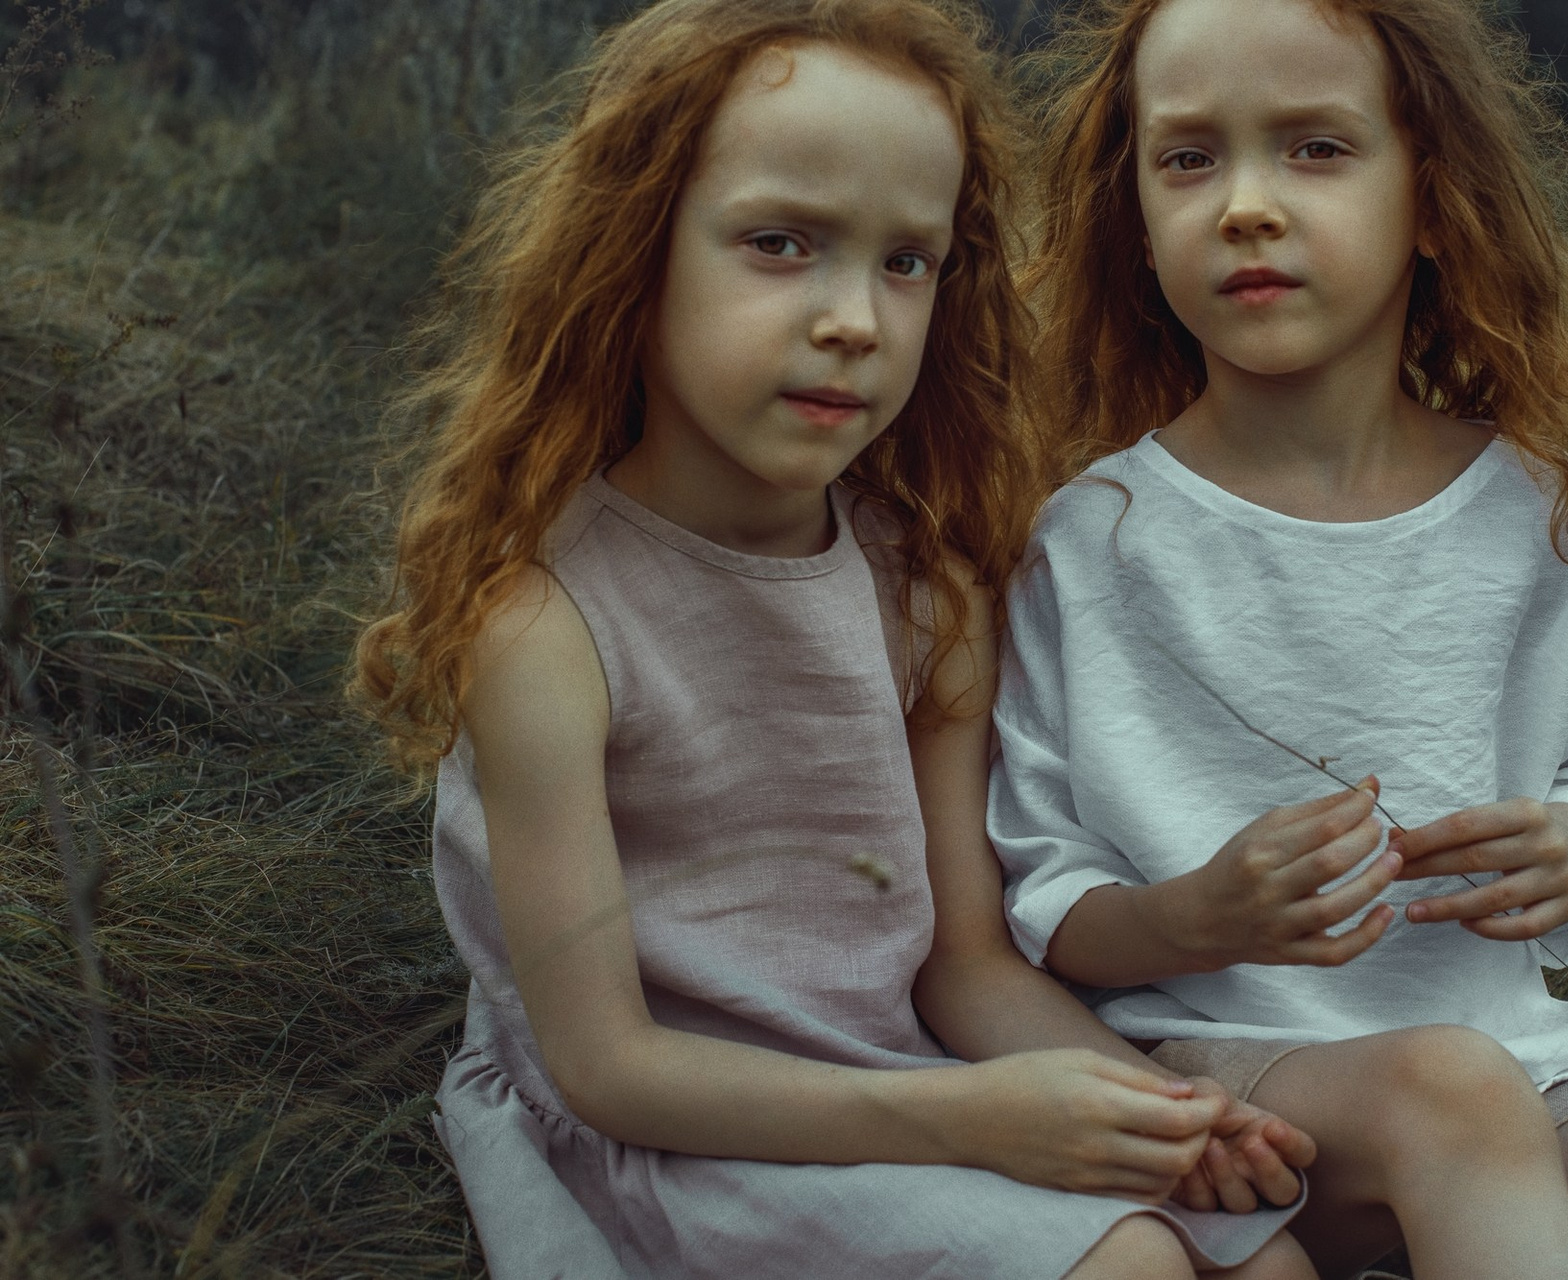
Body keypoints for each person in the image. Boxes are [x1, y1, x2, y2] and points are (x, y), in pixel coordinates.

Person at [352, 1, 1323, 1276]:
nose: (855, 318)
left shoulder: (923, 587)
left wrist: (1164, 1114)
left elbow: (963, 966)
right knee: (1130, 1262)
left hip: (899, 1072)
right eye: (780, 243)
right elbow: (608, 1065)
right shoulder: (544, 622)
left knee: (1264, 1259)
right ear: (634, 250)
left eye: (906, 261)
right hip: (683, 1131)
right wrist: (975, 1121)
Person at [989, 0, 1568, 1277]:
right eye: (1189, 157)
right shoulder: (1090, 542)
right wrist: (1192, 914)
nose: (1245, 204)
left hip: (1516, 1091)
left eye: (1316, 148)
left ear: (1433, 201)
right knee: (1451, 1088)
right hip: (1222, 1097)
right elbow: (1043, 900)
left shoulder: (1536, 512)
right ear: (1137, 226)